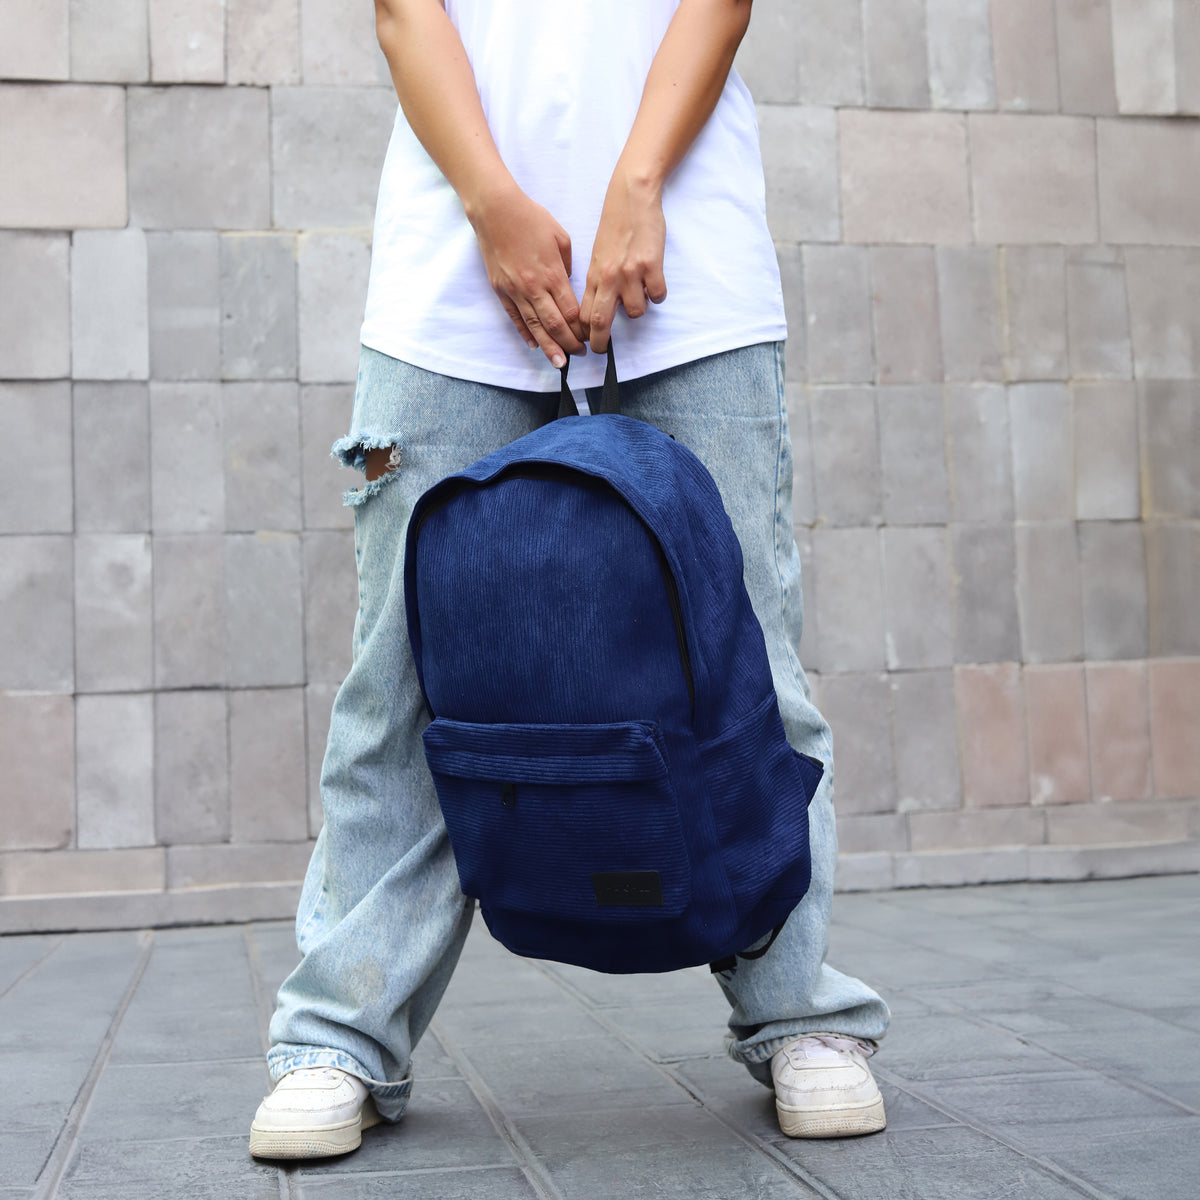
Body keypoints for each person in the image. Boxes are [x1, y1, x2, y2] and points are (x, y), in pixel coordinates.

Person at [249, 0, 890, 1160]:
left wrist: (639, 183)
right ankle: (337, 1037)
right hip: (452, 277)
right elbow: (406, 12)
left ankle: (802, 1013)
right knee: (396, 675)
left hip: (686, 263)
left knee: (750, 653)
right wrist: (494, 205)